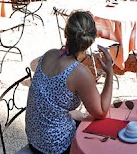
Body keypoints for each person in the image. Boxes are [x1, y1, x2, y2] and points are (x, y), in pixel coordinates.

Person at [26, 11, 114, 154]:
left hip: (35, 139)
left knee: (82, 117)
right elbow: (101, 112)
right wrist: (109, 73)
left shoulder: (49, 54)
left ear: (66, 33)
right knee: (106, 139)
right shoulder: (79, 72)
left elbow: (51, 101)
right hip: (56, 147)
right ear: (90, 41)